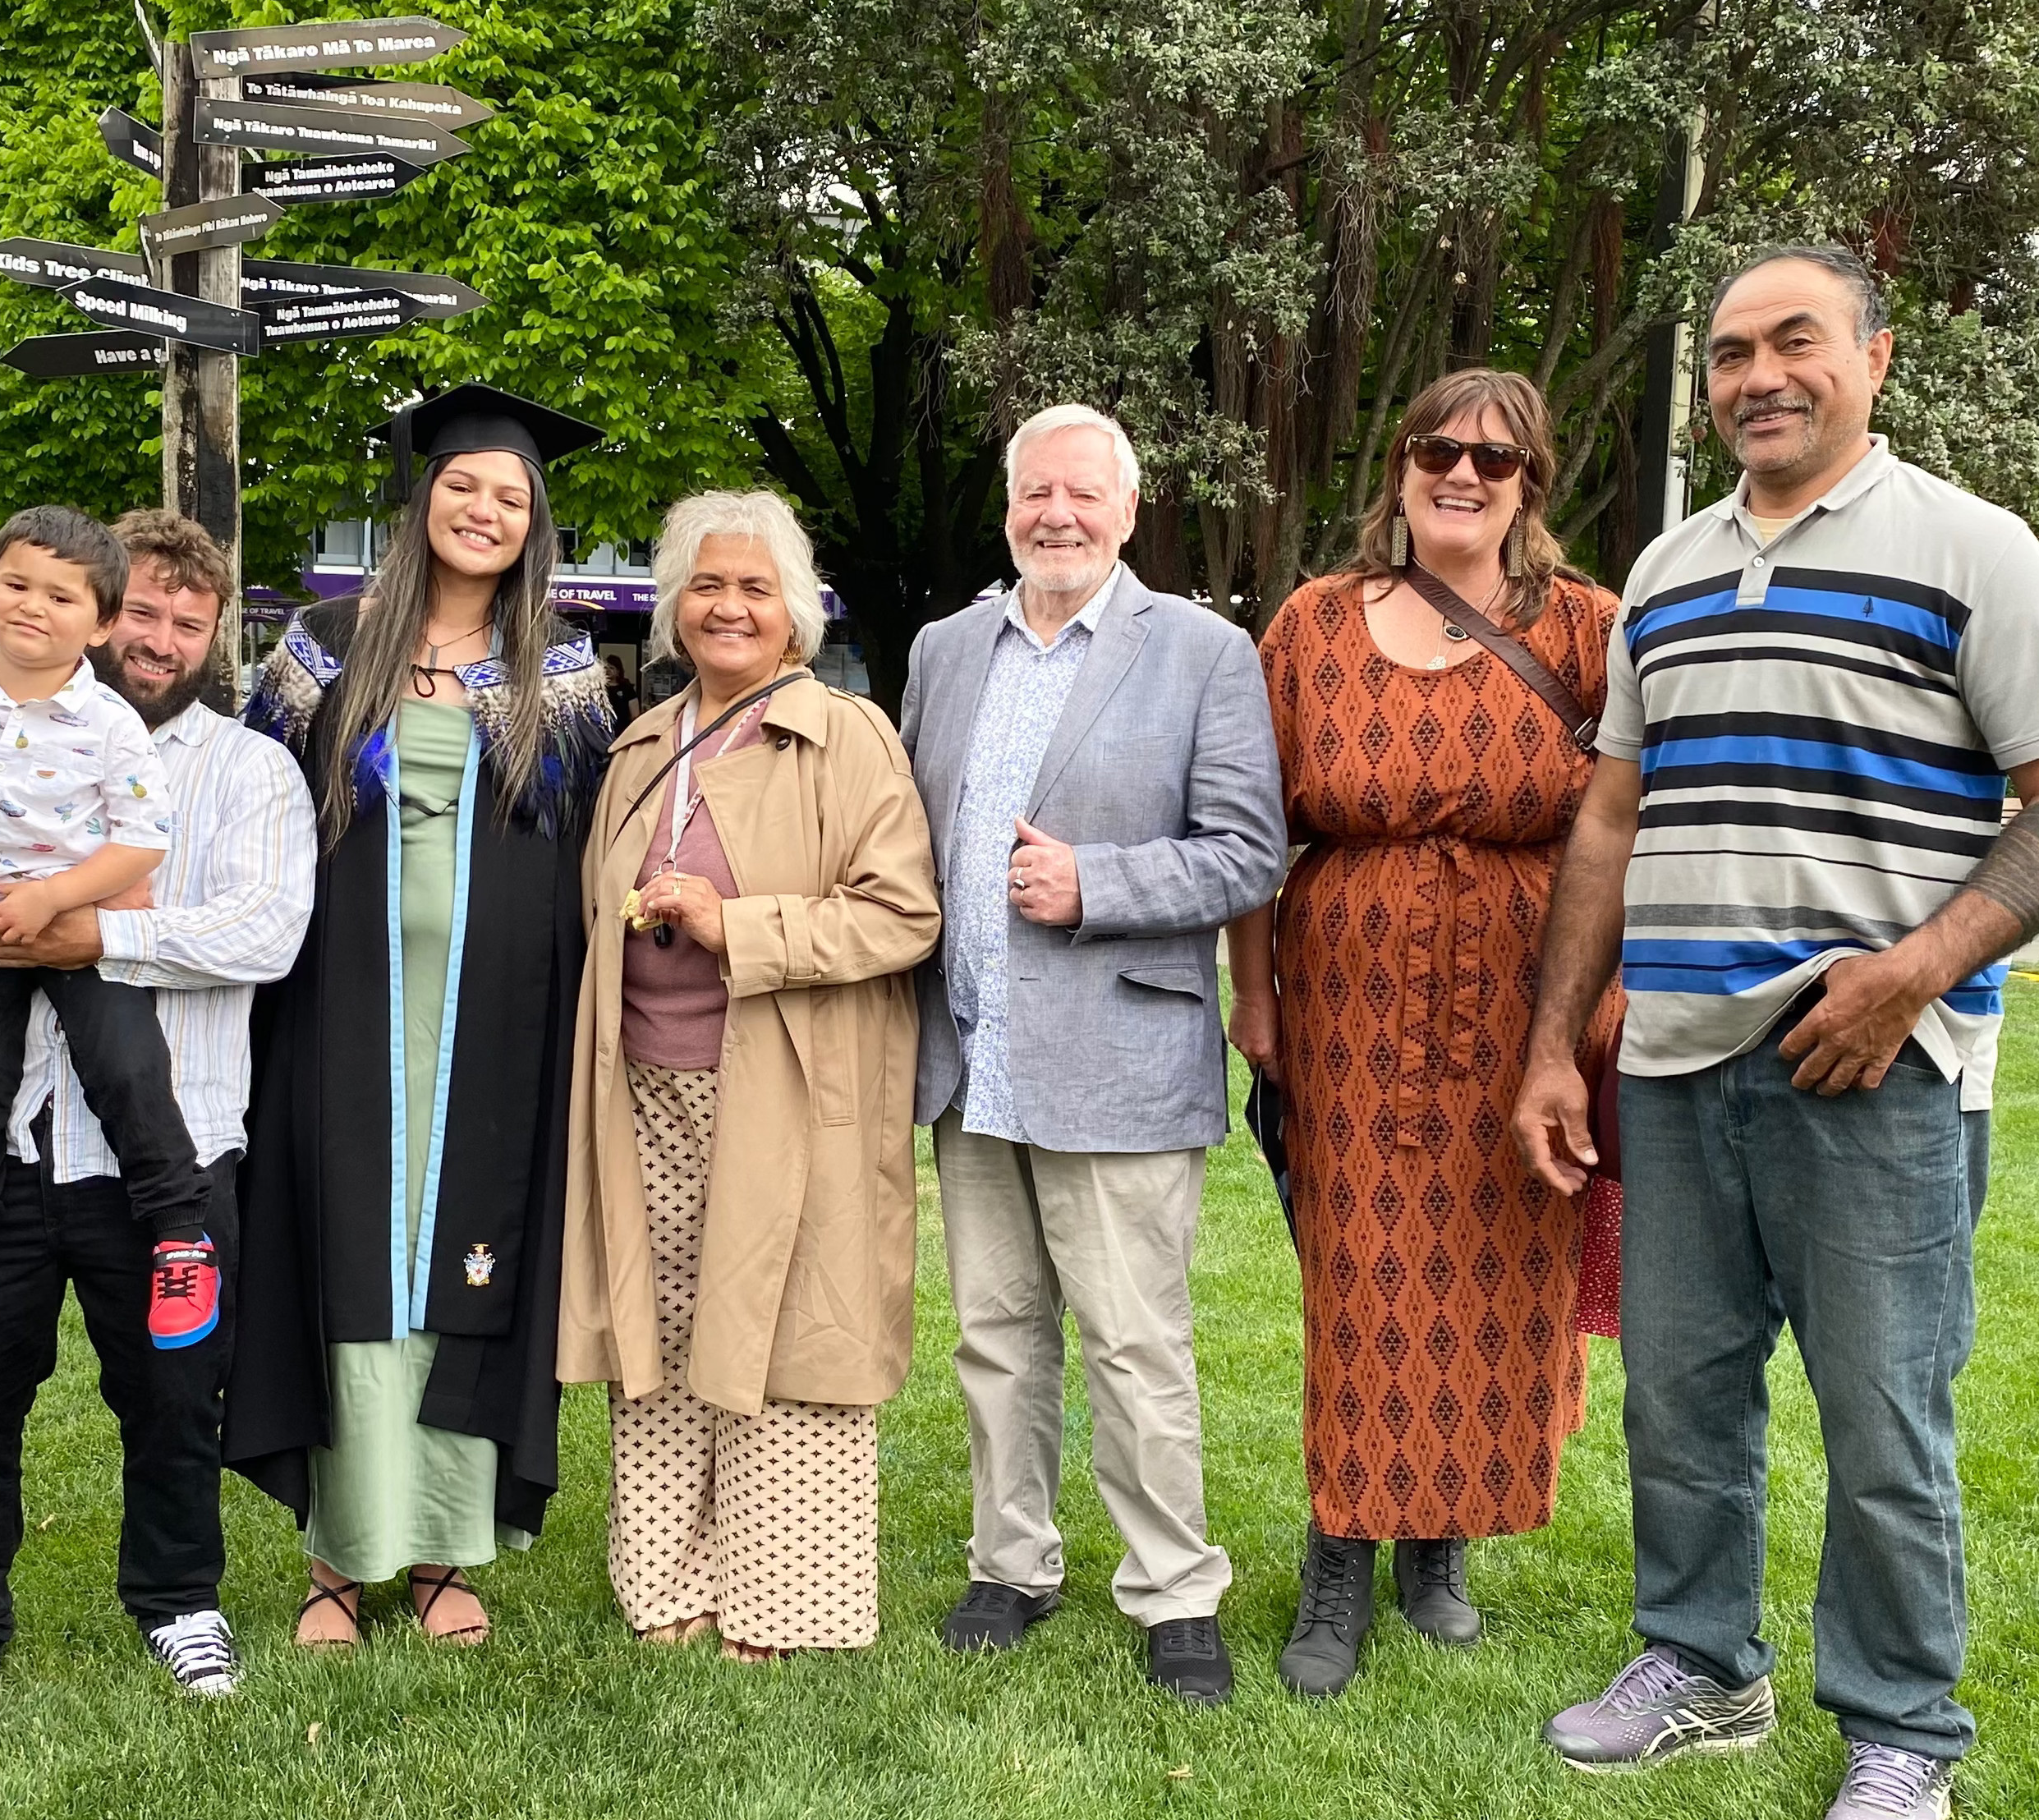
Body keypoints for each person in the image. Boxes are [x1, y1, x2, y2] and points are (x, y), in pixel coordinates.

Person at [1511, 246, 2039, 1820]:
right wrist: (1555, 1046)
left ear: (1873, 358)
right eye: (1728, 352)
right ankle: (1701, 1665)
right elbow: (1610, 820)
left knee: (1880, 1416)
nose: (1756, 376)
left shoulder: (1967, 547)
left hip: (1878, 1066)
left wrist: (1908, 974)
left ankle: (1901, 1730)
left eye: (1793, 341)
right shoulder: (1664, 573)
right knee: (1679, 1398)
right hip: (1672, 1062)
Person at [1227, 370, 1624, 1697]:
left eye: (1493, 459)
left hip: (1527, 1013)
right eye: (1436, 449)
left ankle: (1437, 1545)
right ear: (1398, 469)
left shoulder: (1586, 628)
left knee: (1495, 1274)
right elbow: (1252, 829)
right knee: (1358, 1275)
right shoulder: (1312, 624)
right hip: (1344, 1012)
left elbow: (1627, 823)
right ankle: (1339, 1552)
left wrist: (1603, 1006)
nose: (1461, 473)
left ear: (1529, 485)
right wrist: (1253, 994)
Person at [0, 510, 313, 1726]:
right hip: (1, 1143)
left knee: (174, 1398)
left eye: (191, 621)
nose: (162, 639)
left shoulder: (247, 769)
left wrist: (93, 932)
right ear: (102, 613)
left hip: (174, 1146)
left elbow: (265, 932)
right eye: (147, 613)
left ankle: (179, 1599)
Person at [901, 402, 1286, 1704]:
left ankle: (1174, 1588)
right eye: (1035, 492)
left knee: (1133, 1343)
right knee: (996, 1334)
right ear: (1008, 507)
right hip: (972, 1057)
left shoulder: (1200, 651)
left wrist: (1097, 884)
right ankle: (1010, 1562)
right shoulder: (945, 649)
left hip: (1118, 1054)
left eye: (1082, 493)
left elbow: (1249, 852)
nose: (1055, 514)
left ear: (1127, 509)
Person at [234, 384, 615, 1649]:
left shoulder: (563, 670)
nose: (484, 510)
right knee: (345, 1247)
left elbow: (592, 846)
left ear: (534, 523)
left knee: (468, 1251)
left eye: (511, 496)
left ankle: (448, 1548)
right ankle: (339, 1557)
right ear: (423, 496)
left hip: (500, 1019)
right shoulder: (320, 647)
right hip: (335, 1003)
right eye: (463, 485)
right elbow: (252, 807)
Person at [559, 490, 939, 1659]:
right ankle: (667, 1581)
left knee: (781, 1334)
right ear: (676, 604)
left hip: (783, 1089)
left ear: (796, 611)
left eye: (755, 588)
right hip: (642, 1083)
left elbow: (903, 916)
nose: (729, 607)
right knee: (663, 1326)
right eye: (708, 584)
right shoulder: (640, 742)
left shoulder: (847, 735)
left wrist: (741, 927)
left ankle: (784, 1601)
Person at [0, 507, 219, 1372]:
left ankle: (181, 1236)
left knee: (129, 1071)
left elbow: (143, 840)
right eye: (17, 584)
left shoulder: (109, 723)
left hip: (74, 925)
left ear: (99, 623)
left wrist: (59, 899)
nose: (33, 606)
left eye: (62, 597)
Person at [601, 651, 641, 729]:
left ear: (618, 671)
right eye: (606, 668)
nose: (608, 670)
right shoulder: (600, 688)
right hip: (604, 729)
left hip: (623, 728)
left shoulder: (626, 688)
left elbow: (635, 714)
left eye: (611, 668)